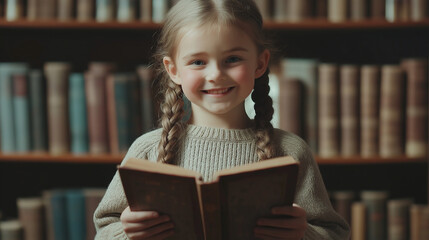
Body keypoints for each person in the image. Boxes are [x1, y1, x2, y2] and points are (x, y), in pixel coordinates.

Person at [94, 0, 350, 239]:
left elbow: (334, 233)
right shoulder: (146, 151)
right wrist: (128, 232)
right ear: (173, 70)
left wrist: (302, 232)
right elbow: (104, 229)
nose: (215, 74)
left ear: (260, 64)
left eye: (232, 59)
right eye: (197, 62)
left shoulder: (292, 152)